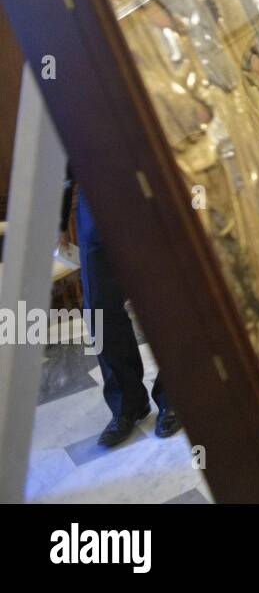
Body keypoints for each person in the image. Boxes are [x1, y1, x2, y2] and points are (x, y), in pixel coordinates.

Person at [60, 168, 181, 447]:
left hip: (153, 200)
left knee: (167, 304)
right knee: (100, 311)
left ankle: (173, 397)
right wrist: (59, 220)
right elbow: (63, 159)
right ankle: (127, 404)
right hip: (95, 211)